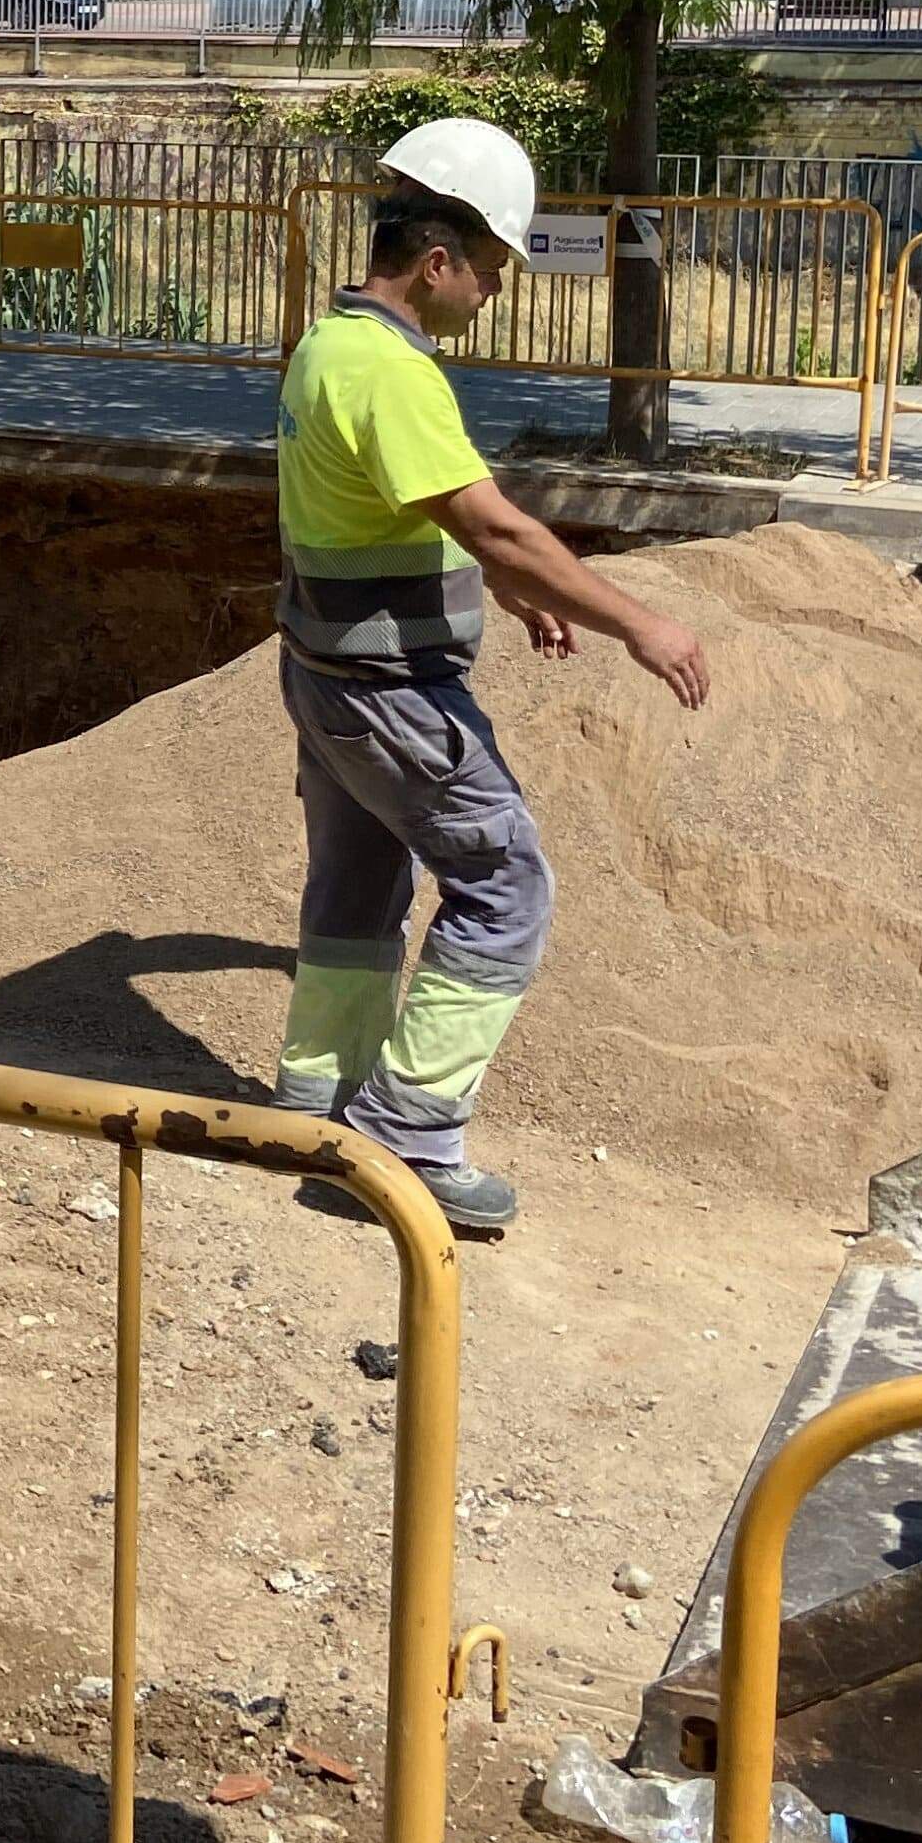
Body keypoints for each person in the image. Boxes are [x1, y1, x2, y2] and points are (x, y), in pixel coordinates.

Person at [276, 121, 711, 1237]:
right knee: (505, 886)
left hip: (327, 675)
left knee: (358, 884)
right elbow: (495, 525)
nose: (493, 294)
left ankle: (316, 1100)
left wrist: (500, 585)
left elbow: (407, 511)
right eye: (493, 271)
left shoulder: (329, 346)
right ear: (438, 262)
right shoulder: (393, 374)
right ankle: (406, 1139)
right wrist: (636, 624)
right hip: (394, 693)